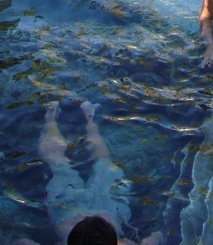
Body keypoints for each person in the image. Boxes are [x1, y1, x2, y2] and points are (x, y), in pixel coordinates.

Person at [14, 102, 159, 245]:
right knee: (60, 162)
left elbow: (155, 237)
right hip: (74, 210)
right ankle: (54, 116)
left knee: (100, 161)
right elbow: (22, 242)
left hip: (101, 211)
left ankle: (79, 117)